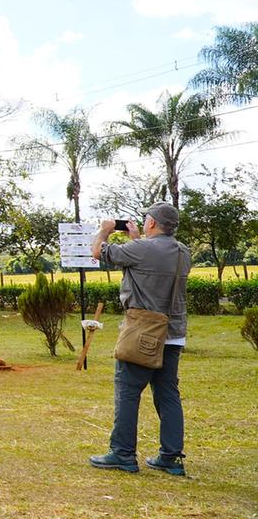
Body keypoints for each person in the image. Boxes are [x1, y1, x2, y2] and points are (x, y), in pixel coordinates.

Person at [87, 201, 191, 476]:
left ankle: (122, 453)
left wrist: (104, 230)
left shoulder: (142, 249)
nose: (143, 222)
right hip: (174, 332)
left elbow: (99, 252)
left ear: (153, 223)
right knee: (167, 393)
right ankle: (171, 457)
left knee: (128, 390)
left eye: (146, 219)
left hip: (143, 330)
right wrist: (135, 239)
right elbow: (152, 266)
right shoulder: (183, 252)